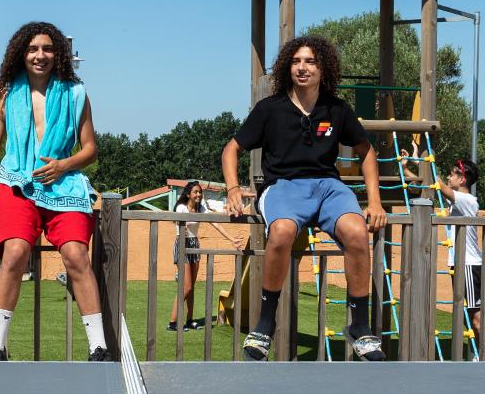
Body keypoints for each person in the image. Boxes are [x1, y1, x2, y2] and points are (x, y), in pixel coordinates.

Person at [221, 36, 388, 361]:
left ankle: (360, 326)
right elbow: (232, 149)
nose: (302, 67)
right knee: (282, 231)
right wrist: (232, 188)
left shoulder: (336, 109)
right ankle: (264, 324)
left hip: (328, 187)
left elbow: (366, 152)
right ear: (287, 66)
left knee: (357, 232)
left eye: (310, 61)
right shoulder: (270, 108)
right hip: (283, 186)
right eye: (297, 61)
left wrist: (375, 201)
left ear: (323, 68)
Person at [0, 21, 108, 362]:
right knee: (15, 251)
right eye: (33, 49)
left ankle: (99, 347)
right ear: (21, 53)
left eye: (47, 48)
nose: (40, 55)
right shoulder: (6, 94)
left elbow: (90, 149)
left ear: (58, 53)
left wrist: (63, 165)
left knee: (76, 255)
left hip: (65, 185)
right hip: (17, 184)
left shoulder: (76, 94)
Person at [166, 181, 236, 331]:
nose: (198, 195)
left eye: (200, 192)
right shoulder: (181, 207)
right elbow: (182, 225)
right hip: (183, 244)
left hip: (194, 244)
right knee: (186, 287)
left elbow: (215, 223)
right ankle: (172, 323)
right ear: (188, 194)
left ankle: (189, 320)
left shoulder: (201, 208)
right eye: (195, 192)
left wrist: (232, 239)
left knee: (192, 287)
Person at [442, 159, 485, 349]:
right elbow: (429, 184)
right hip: (461, 263)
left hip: (469, 263)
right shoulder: (457, 200)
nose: (448, 177)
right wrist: (409, 166)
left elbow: (438, 185)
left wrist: (425, 162)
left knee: (477, 316)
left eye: (452, 173)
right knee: (469, 316)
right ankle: (478, 355)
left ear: (462, 179)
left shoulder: (466, 200)